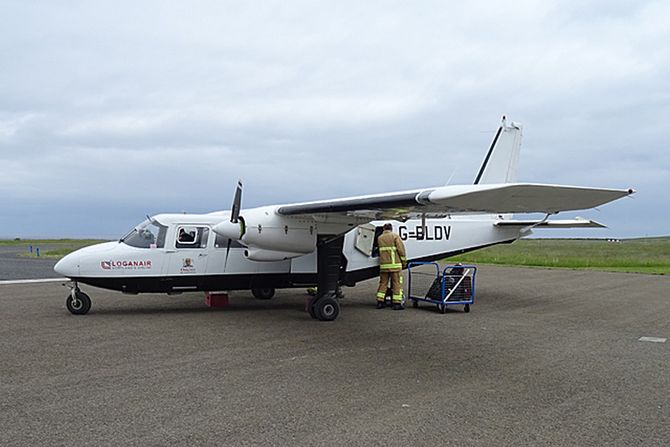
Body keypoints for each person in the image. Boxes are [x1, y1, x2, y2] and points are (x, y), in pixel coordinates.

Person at [375, 223, 407, 310]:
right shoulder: (395, 236)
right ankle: (396, 303)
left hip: (384, 266)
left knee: (383, 284)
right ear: (391, 228)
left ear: (384, 229)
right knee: (396, 284)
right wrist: (404, 262)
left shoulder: (380, 238)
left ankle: (380, 302)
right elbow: (401, 250)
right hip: (395, 265)